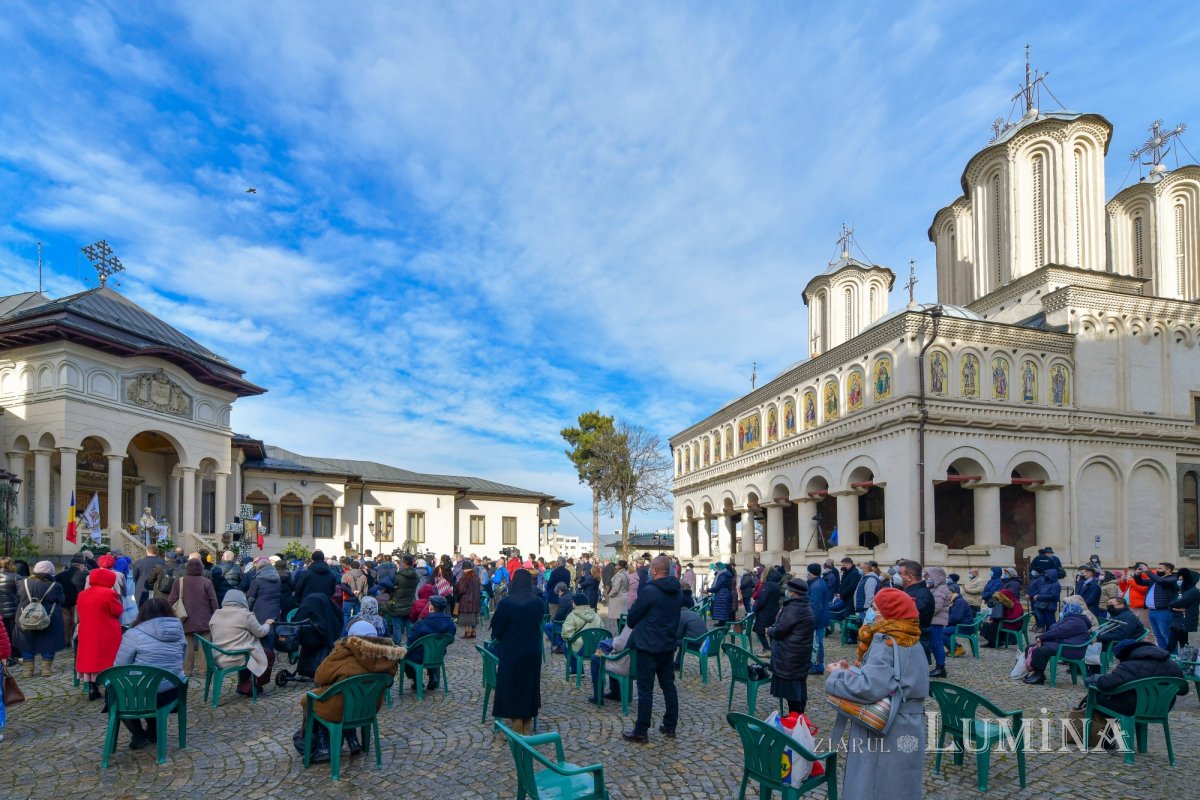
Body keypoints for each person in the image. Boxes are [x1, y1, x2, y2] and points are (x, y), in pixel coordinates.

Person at [825, 587, 928, 800]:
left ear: (887, 614)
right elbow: (893, 679)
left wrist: (837, 675)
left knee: (874, 786)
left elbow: (870, 688)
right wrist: (852, 671)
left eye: (874, 608)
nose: (870, 612)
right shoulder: (911, 638)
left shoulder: (886, 640)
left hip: (886, 727)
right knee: (900, 784)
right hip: (909, 721)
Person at [294, 619, 405, 763]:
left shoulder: (344, 652)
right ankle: (352, 739)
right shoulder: (387, 656)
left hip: (341, 707)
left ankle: (323, 747)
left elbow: (320, 678)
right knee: (343, 694)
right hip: (370, 706)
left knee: (312, 699)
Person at [1084, 638, 1189, 748]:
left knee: (1100, 697)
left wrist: (1096, 679)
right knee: (1125, 695)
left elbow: (1105, 685)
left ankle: (1104, 738)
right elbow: (1183, 690)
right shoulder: (1172, 664)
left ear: (1125, 655)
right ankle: (1137, 745)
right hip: (1162, 708)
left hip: (1134, 707)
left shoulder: (1130, 665)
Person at [111, 598, 187, 750]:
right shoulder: (178, 630)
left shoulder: (133, 634)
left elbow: (119, 667)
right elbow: (182, 657)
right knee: (152, 684)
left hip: (141, 695)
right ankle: (153, 731)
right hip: (172, 691)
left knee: (117, 692)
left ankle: (139, 735)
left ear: (142, 613)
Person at [622, 555, 681, 744]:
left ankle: (641, 730)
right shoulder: (677, 591)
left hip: (647, 646)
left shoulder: (650, 591)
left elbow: (632, 618)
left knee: (645, 689)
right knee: (668, 686)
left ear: (655, 570)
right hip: (667, 645)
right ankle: (670, 725)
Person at [490, 569, 543, 733]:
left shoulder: (507, 603)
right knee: (529, 686)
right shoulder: (538, 602)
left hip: (512, 651)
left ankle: (516, 725)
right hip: (533, 650)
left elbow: (497, 630)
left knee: (512, 687)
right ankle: (526, 725)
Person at [208, 589, 273, 696]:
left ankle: (246, 684)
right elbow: (261, 632)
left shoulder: (216, 614)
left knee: (250, 652)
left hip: (216, 657)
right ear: (243, 600)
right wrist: (268, 624)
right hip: (235, 657)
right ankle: (250, 685)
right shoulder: (245, 614)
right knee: (268, 654)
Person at [74, 566, 124, 699]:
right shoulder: (109, 593)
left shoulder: (82, 594)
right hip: (106, 629)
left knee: (90, 656)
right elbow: (117, 611)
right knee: (107, 657)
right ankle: (109, 687)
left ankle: (92, 687)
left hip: (87, 629)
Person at [768, 577, 814, 714]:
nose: (786, 591)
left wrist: (770, 631)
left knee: (792, 691)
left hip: (790, 655)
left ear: (793, 592)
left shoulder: (793, 608)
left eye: (788, 589)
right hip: (798, 653)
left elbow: (780, 630)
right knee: (797, 688)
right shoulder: (803, 605)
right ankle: (797, 716)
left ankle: (796, 719)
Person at [13, 561, 67, 677]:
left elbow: (17, 598)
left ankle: (27, 670)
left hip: (25, 616)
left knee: (26, 641)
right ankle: (46, 669)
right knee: (48, 640)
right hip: (48, 617)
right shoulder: (55, 586)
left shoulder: (22, 583)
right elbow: (62, 600)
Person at [166, 558, 218, 676]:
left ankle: (187, 670)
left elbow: (171, 600)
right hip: (205, 618)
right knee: (205, 646)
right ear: (201, 568)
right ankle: (203, 670)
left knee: (187, 646)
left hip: (185, 618)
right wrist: (216, 615)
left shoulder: (179, 581)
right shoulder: (206, 582)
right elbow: (213, 601)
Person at [1023, 601, 1092, 685]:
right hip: (1065, 645)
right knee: (1030, 647)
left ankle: (1039, 677)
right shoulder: (1072, 619)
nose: (1062, 610)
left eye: (1064, 608)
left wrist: (1041, 638)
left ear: (1069, 610)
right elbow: (1054, 628)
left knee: (1040, 651)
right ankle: (1038, 673)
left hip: (1072, 648)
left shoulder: (1075, 621)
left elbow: (1059, 631)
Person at [405, 595, 455, 691]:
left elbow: (410, 642)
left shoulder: (422, 623)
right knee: (428, 650)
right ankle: (432, 676)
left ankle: (416, 681)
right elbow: (450, 639)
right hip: (439, 654)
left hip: (420, 657)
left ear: (431, 607)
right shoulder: (451, 623)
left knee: (403, 655)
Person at [292, 589, 342, 678]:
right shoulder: (324, 605)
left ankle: (307, 669)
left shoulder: (309, 605)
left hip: (311, 635)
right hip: (317, 634)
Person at [1134, 563, 1178, 649]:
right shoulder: (1155, 579)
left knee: (1166, 634)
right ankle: (1163, 653)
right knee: (1157, 635)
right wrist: (1137, 575)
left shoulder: (1172, 579)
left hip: (1164, 611)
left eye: (1160, 568)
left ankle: (1173, 656)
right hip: (1152, 611)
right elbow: (1140, 582)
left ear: (1168, 570)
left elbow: (1161, 582)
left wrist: (1147, 571)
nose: (1157, 570)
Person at [561, 592, 605, 676]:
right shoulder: (596, 615)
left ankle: (576, 670)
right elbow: (602, 631)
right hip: (596, 648)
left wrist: (572, 639)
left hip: (580, 648)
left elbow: (566, 634)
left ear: (575, 604)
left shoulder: (572, 616)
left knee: (565, 645)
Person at [925, 567, 951, 678]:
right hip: (934, 620)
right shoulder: (936, 588)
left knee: (937, 644)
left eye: (928, 576)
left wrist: (924, 614)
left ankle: (940, 668)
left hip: (935, 621)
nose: (926, 578)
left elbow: (936, 607)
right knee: (935, 644)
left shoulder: (940, 589)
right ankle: (939, 667)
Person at [752, 566, 784, 653]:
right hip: (773, 610)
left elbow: (761, 600)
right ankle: (772, 650)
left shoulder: (768, 585)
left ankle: (767, 649)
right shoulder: (774, 584)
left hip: (765, 612)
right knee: (770, 632)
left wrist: (754, 610)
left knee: (760, 631)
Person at [806, 563, 831, 674]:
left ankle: (818, 666)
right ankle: (814, 664)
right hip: (819, 618)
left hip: (817, 620)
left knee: (817, 643)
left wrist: (812, 622)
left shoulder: (817, 585)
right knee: (816, 642)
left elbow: (815, 606)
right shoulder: (817, 583)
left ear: (811, 572)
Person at [247, 557, 282, 634]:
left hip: (260, 613)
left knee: (261, 636)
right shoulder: (278, 580)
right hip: (275, 612)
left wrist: (248, 610)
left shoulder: (256, 580)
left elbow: (251, 599)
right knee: (273, 633)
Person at [1168, 567, 1198, 652]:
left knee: (1172, 643)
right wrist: (1172, 607)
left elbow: (1180, 602)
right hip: (1177, 621)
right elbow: (1173, 604)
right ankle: (1186, 661)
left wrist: (1171, 605)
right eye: (1179, 579)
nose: (1179, 581)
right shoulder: (1180, 591)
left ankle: (1164, 660)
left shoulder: (1193, 591)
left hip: (1183, 622)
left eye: (1181, 579)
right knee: (1183, 643)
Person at [454, 564, 482, 639]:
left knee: (466, 617)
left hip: (466, 601)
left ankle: (467, 632)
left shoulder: (465, 577)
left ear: (464, 569)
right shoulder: (476, 577)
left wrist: (456, 591)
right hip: (475, 600)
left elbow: (460, 588)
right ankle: (473, 632)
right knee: (474, 616)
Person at [544, 583, 573, 653]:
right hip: (571, 621)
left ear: (560, 591)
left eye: (558, 593)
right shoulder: (572, 594)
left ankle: (559, 644)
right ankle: (560, 644)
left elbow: (559, 615)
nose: (558, 595)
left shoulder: (563, 599)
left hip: (564, 623)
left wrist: (553, 620)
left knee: (546, 626)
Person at [607, 560, 630, 625]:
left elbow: (615, 589)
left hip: (619, 598)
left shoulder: (619, 575)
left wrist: (610, 595)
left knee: (619, 618)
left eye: (617, 565)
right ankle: (622, 633)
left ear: (620, 566)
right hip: (625, 596)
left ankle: (621, 634)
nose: (616, 566)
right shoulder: (626, 573)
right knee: (622, 617)